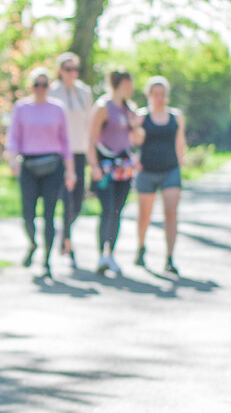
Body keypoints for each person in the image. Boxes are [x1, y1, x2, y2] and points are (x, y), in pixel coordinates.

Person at [5, 67, 76, 278]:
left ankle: (46, 259)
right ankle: (33, 243)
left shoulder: (58, 108)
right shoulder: (21, 107)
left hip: (53, 166)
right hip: (29, 164)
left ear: (49, 87)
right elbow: (14, 136)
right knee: (28, 213)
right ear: (31, 86)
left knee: (49, 214)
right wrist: (12, 159)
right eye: (37, 84)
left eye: (44, 85)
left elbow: (65, 141)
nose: (40, 89)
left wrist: (70, 170)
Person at [86, 69, 141, 276]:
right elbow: (91, 139)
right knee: (107, 209)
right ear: (122, 83)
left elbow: (137, 139)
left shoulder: (130, 109)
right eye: (130, 83)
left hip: (124, 167)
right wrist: (94, 167)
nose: (132, 87)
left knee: (118, 211)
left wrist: (135, 125)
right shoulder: (103, 107)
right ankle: (102, 253)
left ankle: (111, 254)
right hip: (105, 166)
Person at [133, 75, 187, 275]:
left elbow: (180, 141)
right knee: (144, 215)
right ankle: (141, 247)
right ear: (149, 95)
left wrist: (181, 161)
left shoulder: (176, 116)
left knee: (171, 213)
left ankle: (170, 257)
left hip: (170, 170)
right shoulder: (141, 116)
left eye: (162, 94)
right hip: (147, 171)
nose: (159, 98)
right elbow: (132, 142)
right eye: (155, 94)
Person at [46, 51, 94, 268]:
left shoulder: (85, 92)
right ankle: (67, 242)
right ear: (60, 71)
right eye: (68, 69)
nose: (72, 73)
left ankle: (65, 233)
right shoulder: (52, 92)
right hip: (58, 153)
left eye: (75, 69)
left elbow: (89, 123)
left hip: (79, 150)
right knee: (64, 198)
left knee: (77, 201)